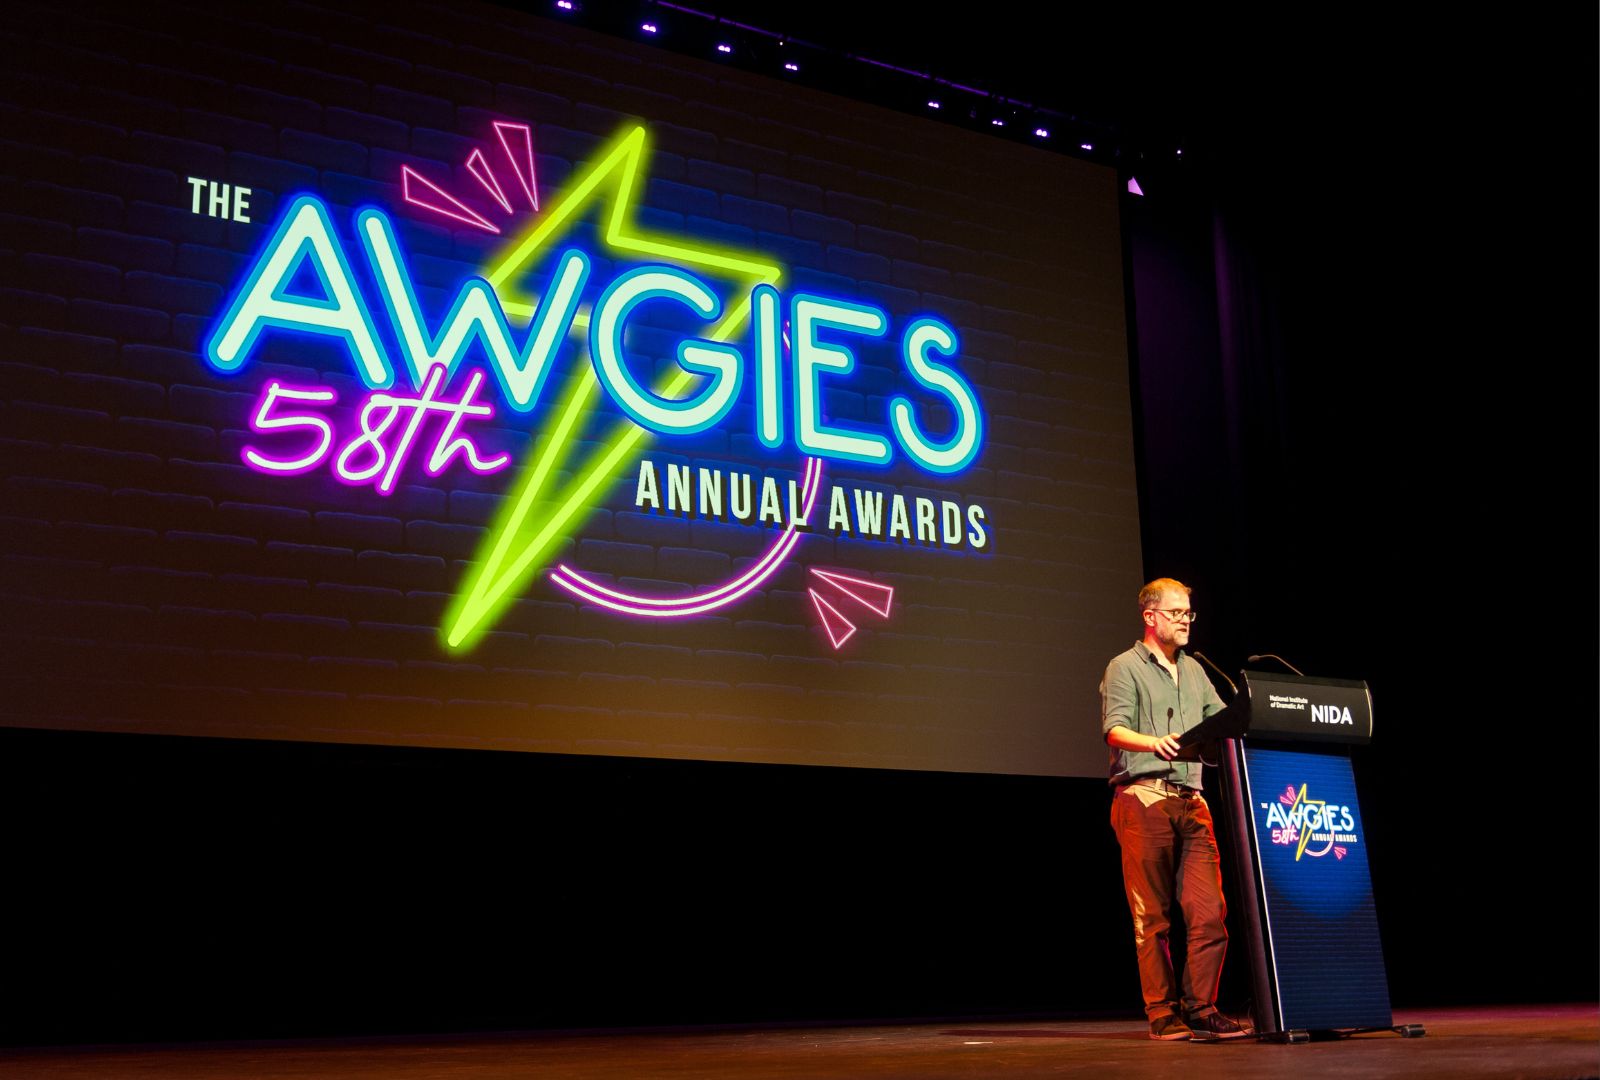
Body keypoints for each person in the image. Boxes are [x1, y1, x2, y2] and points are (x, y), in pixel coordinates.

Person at [1100, 577, 1250, 1041]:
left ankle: (1202, 1007)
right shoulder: (1125, 667)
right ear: (1151, 616)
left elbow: (1224, 721)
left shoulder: (1196, 669)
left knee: (1209, 914)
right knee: (1153, 918)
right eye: (1177, 613)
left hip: (1193, 802)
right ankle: (1162, 1011)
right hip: (1143, 798)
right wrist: (1154, 743)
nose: (1186, 621)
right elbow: (1114, 730)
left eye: (1189, 613)